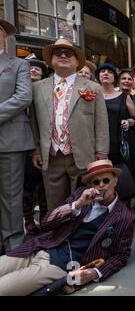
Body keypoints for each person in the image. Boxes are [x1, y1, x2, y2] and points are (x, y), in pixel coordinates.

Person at [0, 160, 135, 296]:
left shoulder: (125, 216)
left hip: (59, 266)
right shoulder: (81, 195)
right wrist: (77, 205)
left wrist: (95, 273)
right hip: (38, 248)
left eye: (105, 180)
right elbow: (46, 223)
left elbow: (121, 256)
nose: (101, 186)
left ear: (115, 181)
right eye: (96, 182)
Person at [30, 39, 109, 212]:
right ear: (51, 60)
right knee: (55, 205)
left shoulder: (93, 87)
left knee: (86, 202)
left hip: (83, 155)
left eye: (69, 53)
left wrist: (101, 152)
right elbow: (33, 122)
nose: (63, 55)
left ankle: (81, 237)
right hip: (51, 157)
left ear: (77, 61)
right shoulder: (37, 88)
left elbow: (101, 123)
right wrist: (35, 150)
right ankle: (59, 236)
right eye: (58, 53)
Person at [0, 19, 33, 254]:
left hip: (11, 141)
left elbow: (23, 97)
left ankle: (13, 249)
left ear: (3, 35)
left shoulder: (19, 64)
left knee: (11, 197)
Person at [96, 64, 135, 196]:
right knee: (101, 179)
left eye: (110, 72)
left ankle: (123, 211)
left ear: (115, 78)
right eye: (103, 71)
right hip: (99, 145)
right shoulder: (93, 95)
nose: (106, 73)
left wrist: (128, 122)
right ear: (98, 76)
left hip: (120, 144)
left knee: (123, 181)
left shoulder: (123, 97)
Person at [23, 54, 49, 234]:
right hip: (22, 144)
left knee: (44, 183)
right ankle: (28, 219)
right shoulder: (17, 89)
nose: (33, 70)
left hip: (42, 143)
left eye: (37, 69)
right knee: (26, 186)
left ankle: (46, 217)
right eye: (30, 68)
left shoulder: (43, 93)